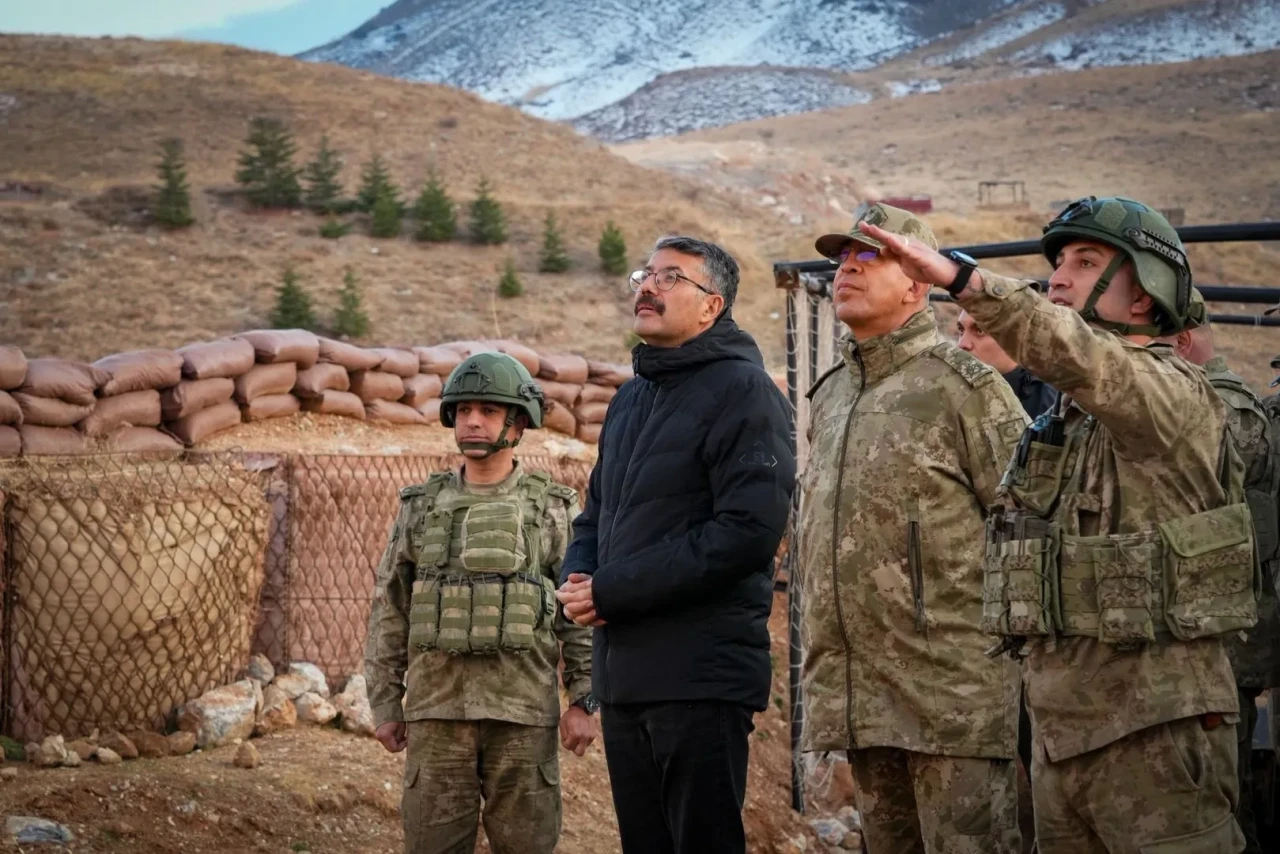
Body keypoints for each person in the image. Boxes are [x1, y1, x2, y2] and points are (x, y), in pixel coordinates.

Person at [857, 195, 1255, 853]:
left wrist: (963, 279)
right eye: (1059, 261)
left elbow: (1083, 357)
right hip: (1062, 740)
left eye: (1086, 260)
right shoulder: (1065, 426)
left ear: (1144, 296)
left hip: (1152, 735)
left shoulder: (1174, 398)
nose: (1060, 277)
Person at [555, 235, 795, 854]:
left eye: (670, 278)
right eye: (645, 275)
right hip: (627, 674)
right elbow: (597, 514)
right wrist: (581, 577)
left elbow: (747, 533)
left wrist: (613, 590)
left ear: (711, 306)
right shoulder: (632, 398)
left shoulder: (746, 392)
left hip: (700, 675)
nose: (648, 287)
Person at [799, 202, 1027, 854]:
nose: (847, 268)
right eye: (842, 256)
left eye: (870, 255)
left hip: (954, 700)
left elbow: (1028, 532)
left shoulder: (968, 388)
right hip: (863, 698)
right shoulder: (833, 393)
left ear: (918, 283)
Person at [364, 352, 596, 854]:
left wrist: (583, 699)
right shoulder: (420, 507)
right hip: (436, 714)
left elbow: (579, 615)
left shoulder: (554, 509)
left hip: (523, 717)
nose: (472, 420)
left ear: (518, 423)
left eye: (489, 410)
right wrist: (385, 702)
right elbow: (391, 608)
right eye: (464, 409)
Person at [1161, 295, 1280, 854]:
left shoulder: (1223, 410)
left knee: (1217, 785)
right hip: (1220, 627)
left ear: (1181, 344)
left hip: (1229, 630)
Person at [957, 310, 1058, 419]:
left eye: (980, 330)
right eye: (961, 330)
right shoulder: (954, 391)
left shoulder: (1044, 399)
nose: (962, 344)